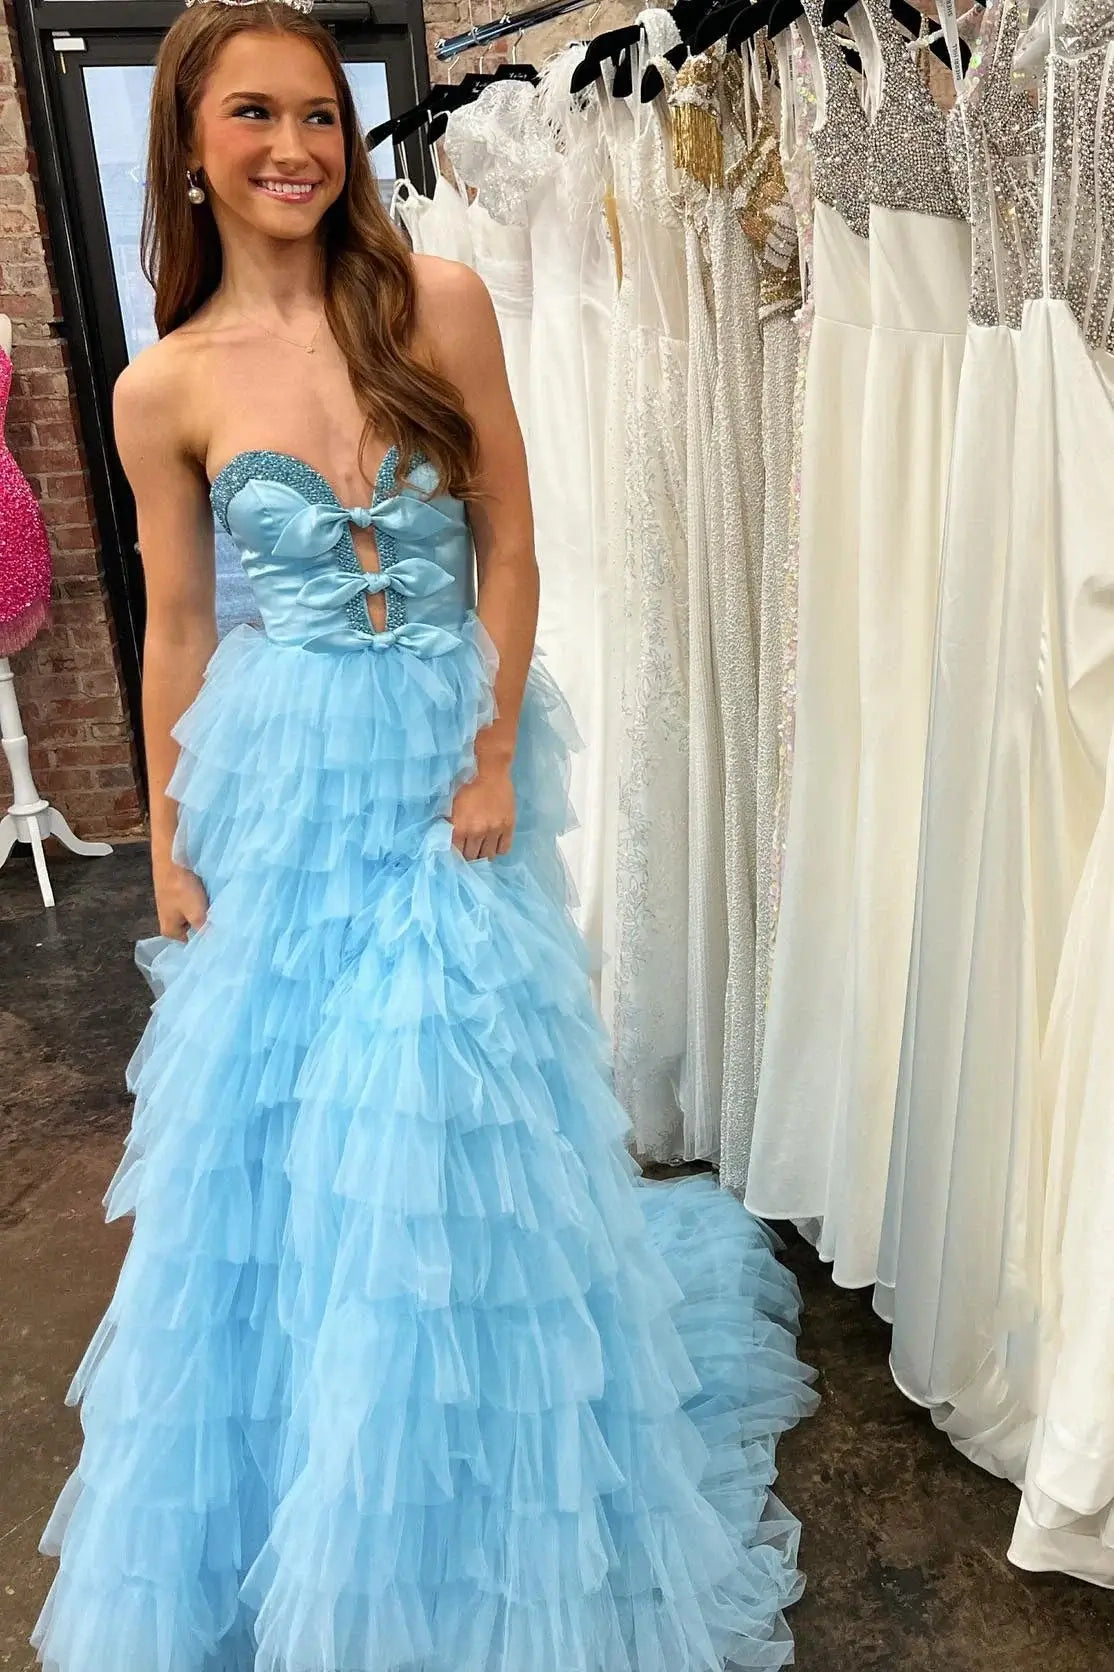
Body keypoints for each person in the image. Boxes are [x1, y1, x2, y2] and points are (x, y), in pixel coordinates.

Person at [31, 5, 817, 1668]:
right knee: (295, 1125)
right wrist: (169, 836)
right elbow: (180, 625)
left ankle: (479, 1498)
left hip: (447, 753)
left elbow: (511, 539)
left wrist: (490, 750)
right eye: (254, 116)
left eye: (318, 114)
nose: (296, 148)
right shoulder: (161, 384)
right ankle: (322, 1478)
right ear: (190, 150)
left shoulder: (434, 300)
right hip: (284, 769)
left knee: (450, 1095)